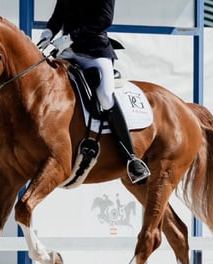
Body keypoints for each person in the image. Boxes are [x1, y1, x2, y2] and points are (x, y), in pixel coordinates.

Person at [38, 0, 150, 184]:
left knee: (106, 97)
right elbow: (58, 16)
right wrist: (48, 31)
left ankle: (131, 157)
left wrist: (71, 37)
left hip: (95, 52)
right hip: (67, 52)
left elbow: (104, 20)